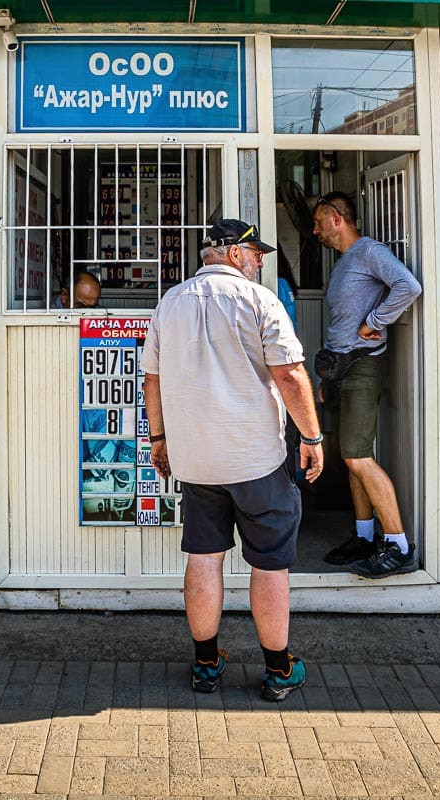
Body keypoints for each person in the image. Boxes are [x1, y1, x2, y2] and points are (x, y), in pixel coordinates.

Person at [143, 219, 323, 702]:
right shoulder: (259, 300)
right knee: (269, 565)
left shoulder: (170, 302)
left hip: (196, 459)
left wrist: (160, 440)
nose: (261, 261)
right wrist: (312, 436)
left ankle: (206, 664)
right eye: (256, 253)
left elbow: (152, 382)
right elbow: (289, 375)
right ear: (235, 254)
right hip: (255, 459)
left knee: (204, 557)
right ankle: (279, 670)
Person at [312, 191, 423, 578]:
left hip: (362, 366)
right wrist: (327, 378)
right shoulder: (344, 263)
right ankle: (364, 537)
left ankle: (399, 546)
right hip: (340, 370)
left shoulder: (370, 251)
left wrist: (375, 321)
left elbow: (408, 287)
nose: (316, 230)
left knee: (359, 456)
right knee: (348, 457)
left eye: (319, 222)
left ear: (337, 217)